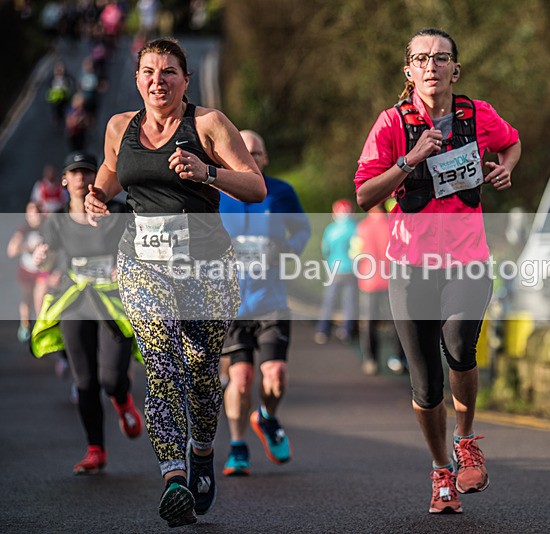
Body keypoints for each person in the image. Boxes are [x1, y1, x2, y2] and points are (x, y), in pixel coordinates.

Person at [83, 38, 265, 527]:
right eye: (149, 71)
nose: (157, 80)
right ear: (137, 79)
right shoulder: (120, 126)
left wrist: (208, 172)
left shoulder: (208, 124)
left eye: (168, 72)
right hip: (143, 265)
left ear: (185, 80)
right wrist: (97, 195)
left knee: (202, 371)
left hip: (206, 268)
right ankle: (174, 478)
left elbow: (255, 186)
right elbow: (112, 171)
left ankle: (201, 451)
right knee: (161, 368)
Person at [354, 28, 521, 514]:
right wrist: (410, 160)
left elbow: (512, 143)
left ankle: (466, 441)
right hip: (412, 267)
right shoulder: (391, 123)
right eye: (422, 58)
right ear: (409, 70)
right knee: (426, 385)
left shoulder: (477, 115)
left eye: (441, 58)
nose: (432, 66)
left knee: (460, 347)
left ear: (456, 69)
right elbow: (364, 193)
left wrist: (506, 166)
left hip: (468, 260)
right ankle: (440, 470)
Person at [30, 151, 143, 475]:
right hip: (76, 302)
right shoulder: (57, 219)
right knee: (85, 381)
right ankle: (95, 450)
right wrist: (41, 258)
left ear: (98, 177)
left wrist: (127, 264)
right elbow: (48, 257)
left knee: (111, 378)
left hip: (113, 302)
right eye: (75, 173)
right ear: (65, 180)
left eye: (88, 172)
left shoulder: (118, 211)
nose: (82, 178)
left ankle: (121, 399)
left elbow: (139, 246)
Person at [218, 130, 310, 476]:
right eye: (240, 151)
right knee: (240, 379)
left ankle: (267, 417)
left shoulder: (281, 192)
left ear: (265, 158)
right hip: (230, 304)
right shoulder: (215, 192)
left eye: (254, 153)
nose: (248, 157)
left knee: (276, 376)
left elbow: (302, 230)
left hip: (271, 301)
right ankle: (238, 447)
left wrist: (288, 251)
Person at [351, 202, 405, 376]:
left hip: (369, 280)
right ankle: (398, 359)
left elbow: (355, 254)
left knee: (368, 322)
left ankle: (371, 359)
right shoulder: (393, 224)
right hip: (392, 279)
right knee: (396, 321)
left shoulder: (362, 227)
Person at [314, 199, 358, 344]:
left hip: (334, 268)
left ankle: (323, 330)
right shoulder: (355, 228)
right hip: (351, 269)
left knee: (329, 300)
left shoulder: (331, 229)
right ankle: (346, 331)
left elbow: (325, 250)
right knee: (349, 302)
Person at [6, 201, 50, 342]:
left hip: (42, 271)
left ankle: (40, 328)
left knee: (40, 300)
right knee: (26, 300)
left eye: (36, 213)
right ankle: (25, 326)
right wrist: (29, 247)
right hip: (26, 270)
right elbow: (11, 250)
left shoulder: (47, 227)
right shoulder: (23, 230)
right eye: (30, 214)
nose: (34, 217)